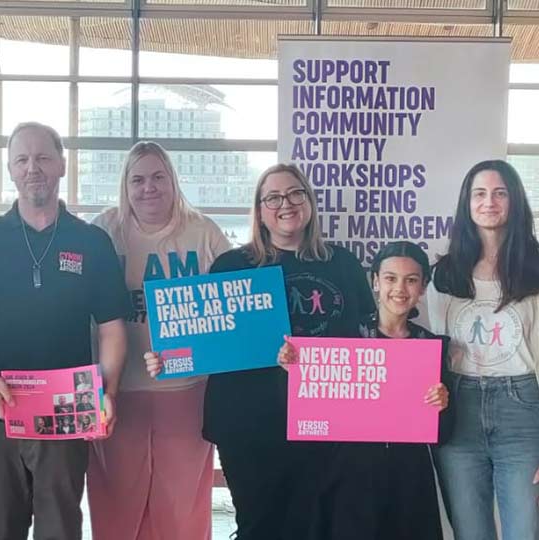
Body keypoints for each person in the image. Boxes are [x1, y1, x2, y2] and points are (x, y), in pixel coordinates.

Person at [147, 163, 373, 540]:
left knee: (318, 524)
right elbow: (205, 339)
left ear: (309, 201)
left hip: (323, 421)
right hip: (248, 421)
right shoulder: (232, 266)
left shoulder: (343, 264)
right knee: (258, 525)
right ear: (260, 210)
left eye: (295, 193)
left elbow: (366, 337)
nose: (286, 204)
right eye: (273, 197)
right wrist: (167, 358)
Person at [0, 122, 131, 540]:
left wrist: (109, 392)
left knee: (60, 528)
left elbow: (112, 328)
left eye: (44, 157)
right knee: (1, 527)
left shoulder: (92, 242)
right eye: (22, 159)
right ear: (10, 169)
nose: (33, 168)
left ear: (62, 165)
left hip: (68, 410)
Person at [86, 141, 232, 540]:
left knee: (182, 504)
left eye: (157, 177)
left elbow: (235, 302)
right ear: (125, 185)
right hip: (117, 389)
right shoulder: (104, 230)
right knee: (116, 501)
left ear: (172, 181)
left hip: (187, 389)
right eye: (137, 179)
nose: (148, 188)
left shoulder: (202, 231)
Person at [424, 160, 539, 540]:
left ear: (515, 201)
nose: (489, 202)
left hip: (523, 411)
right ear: (467, 203)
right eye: (480, 193)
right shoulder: (443, 276)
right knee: (470, 533)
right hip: (459, 411)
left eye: (499, 193)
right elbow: (435, 356)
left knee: (527, 531)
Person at [269, 240, 451, 540]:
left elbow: (443, 433)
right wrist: (291, 371)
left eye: (411, 280)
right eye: (390, 278)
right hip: (349, 477)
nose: (400, 288)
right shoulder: (343, 336)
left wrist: (442, 404)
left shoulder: (431, 347)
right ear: (375, 282)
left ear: (423, 287)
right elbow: (302, 410)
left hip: (408, 479)